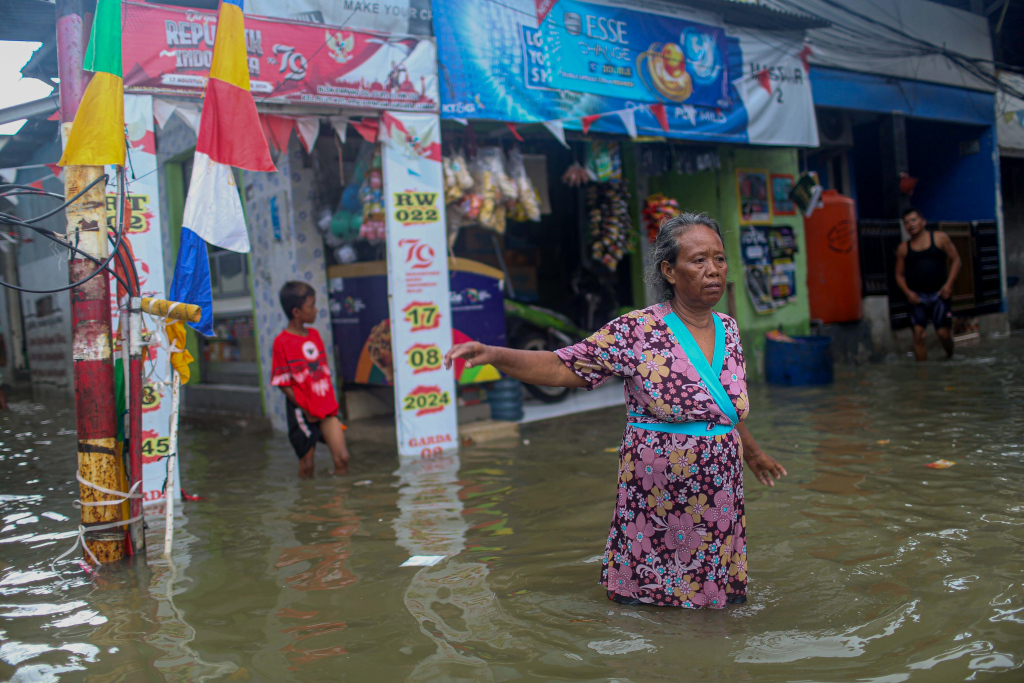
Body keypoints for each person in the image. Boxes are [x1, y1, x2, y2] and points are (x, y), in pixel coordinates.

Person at [444, 213, 786, 609]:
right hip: (657, 494)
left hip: (719, 490)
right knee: (648, 598)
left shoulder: (729, 328)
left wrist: (753, 452)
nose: (713, 271)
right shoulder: (637, 330)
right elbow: (562, 366)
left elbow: (723, 408)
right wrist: (494, 354)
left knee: (713, 603)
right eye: (698, 261)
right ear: (669, 271)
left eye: (720, 259)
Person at [271, 281, 351, 478]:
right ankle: (308, 504)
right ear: (296, 312)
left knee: (343, 458)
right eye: (311, 306)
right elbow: (283, 383)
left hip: (325, 408)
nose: (316, 310)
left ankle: (339, 503)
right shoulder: (282, 342)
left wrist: (326, 405)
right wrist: (306, 408)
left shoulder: (314, 335)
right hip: (302, 411)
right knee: (307, 465)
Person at [894, 207, 961, 361]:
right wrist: (908, 293)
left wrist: (949, 285)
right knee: (918, 334)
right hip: (917, 296)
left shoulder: (939, 238)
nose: (910, 224)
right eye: (906, 222)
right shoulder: (903, 248)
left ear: (923, 222)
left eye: (913, 220)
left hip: (939, 293)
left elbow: (957, 260)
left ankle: (950, 357)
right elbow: (898, 275)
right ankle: (922, 374)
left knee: (943, 333)